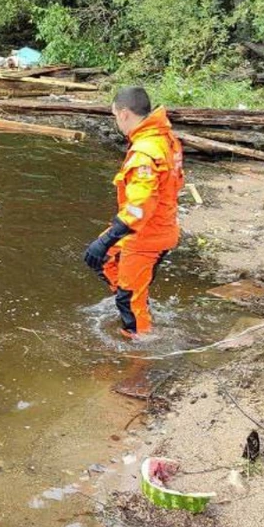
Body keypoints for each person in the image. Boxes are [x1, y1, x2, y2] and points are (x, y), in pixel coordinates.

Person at [83, 87, 184, 339]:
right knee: (98, 257)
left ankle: (139, 356)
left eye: (115, 115)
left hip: (146, 236)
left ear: (125, 113)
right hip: (157, 226)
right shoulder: (164, 138)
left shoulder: (144, 152)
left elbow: (139, 207)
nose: (117, 122)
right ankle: (131, 294)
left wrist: (107, 239)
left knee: (129, 303)